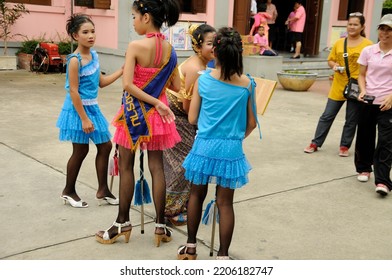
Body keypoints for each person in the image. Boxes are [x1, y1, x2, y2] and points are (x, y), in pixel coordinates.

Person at [95, 0, 181, 245]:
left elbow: (128, 85)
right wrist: (158, 101)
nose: (132, 22)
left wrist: (153, 102)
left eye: (133, 16)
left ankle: (122, 222)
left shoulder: (135, 46)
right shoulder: (170, 50)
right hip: (158, 118)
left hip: (134, 114)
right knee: (157, 168)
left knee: (126, 167)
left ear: (145, 17)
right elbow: (175, 86)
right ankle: (161, 225)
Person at [177, 27, 259, 260]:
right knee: (225, 203)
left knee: (195, 195)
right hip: (231, 148)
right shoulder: (248, 84)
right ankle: (222, 255)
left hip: (204, 145)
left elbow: (192, 118)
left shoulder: (203, 81)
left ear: (216, 52)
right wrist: (233, 137)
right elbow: (251, 123)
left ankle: (191, 246)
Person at [57, 14, 123, 208]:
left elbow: (100, 83)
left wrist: (121, 71)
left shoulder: (94, 56)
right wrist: (84, 119)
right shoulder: (75, 60)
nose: (91, 35)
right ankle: (68, 191)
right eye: (85, 32)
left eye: (93, 31)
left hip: (92, 106)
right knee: (80, 150)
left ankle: (103, 189)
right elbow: (73, 91)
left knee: (105, 146)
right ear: (75, 36)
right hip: (77, 110)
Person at [164, 23, 216, 226]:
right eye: (210, 44)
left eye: (215, 44)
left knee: (179, 166)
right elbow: (188, 107)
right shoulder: (196, 68)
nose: (214, 48)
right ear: (197, 45)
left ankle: (176, 205)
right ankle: (172, 210)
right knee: (182, 166)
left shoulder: (201, 65)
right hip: (180, 119)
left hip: (178, 118)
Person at [304, 13, 372, 156]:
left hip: (356, 86)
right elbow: (331, 60)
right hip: (338, 84)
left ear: (362, 27)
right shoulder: (339, 43)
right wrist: (334, 66)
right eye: (349, 24)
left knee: (351, 118)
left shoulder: (368, 45)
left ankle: (344, 146)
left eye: (355, 24)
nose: (351, 27)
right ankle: (315, 142)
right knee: (327, 115)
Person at [355, 14, 392, 193]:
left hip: (388, 104)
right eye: (382, 28)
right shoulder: (368, 51)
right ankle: (363, 168)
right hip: (368, 100)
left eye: (389, 29)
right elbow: (361, 74)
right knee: (364, 136)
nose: (384, 33)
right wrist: (362, 90)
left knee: (386, 141)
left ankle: (383, 181)